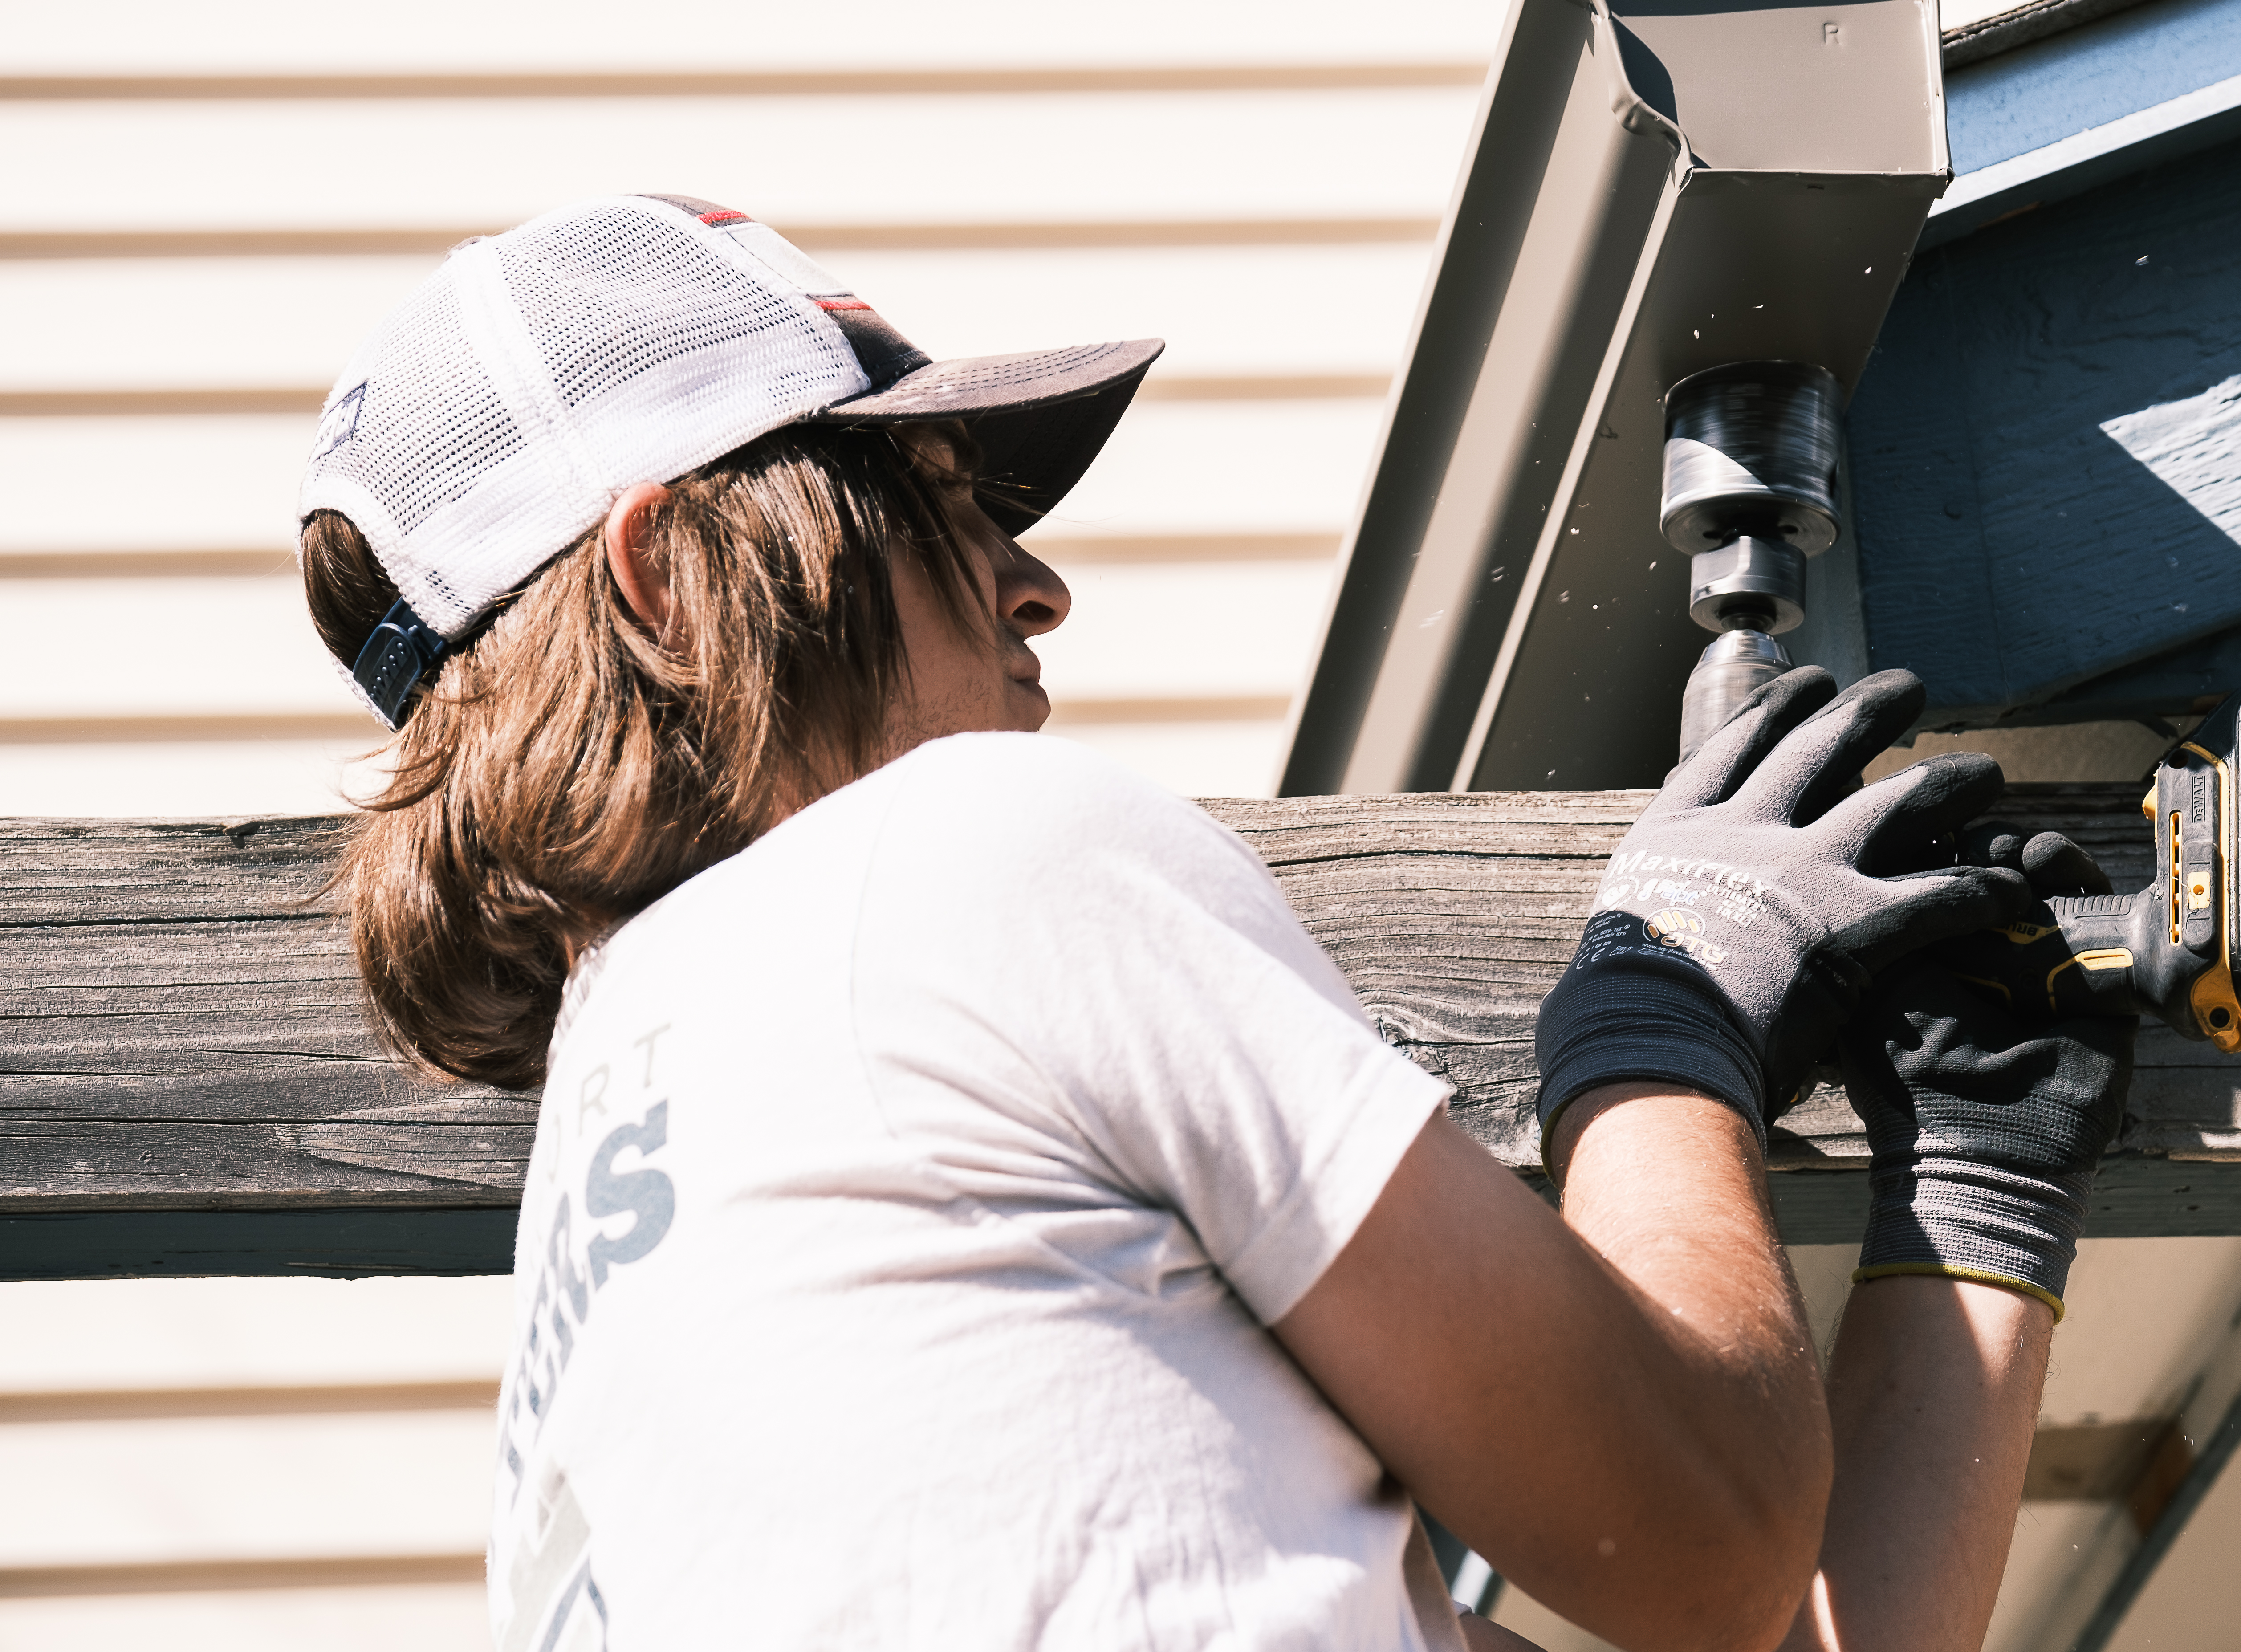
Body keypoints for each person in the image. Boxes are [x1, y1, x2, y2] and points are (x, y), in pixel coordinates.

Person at [297, 193, 2135, 1652]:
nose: (1039, 580)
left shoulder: (617, 1323)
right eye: (938, 500)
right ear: (668, 589)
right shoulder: (958, 857)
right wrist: (1657, 1021)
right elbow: (1710, 1548)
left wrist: (1977, 1184)